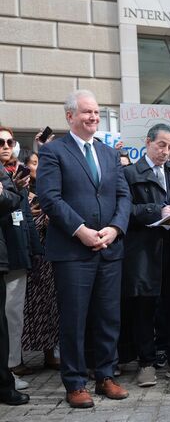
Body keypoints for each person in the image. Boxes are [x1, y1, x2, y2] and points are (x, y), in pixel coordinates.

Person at [37, 89, 131, 408]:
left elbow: (123, 196)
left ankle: (105, 375)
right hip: (73, 251)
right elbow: (50, 198)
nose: (93, 117)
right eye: (87, 112)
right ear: (70, 116)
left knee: (108, 316)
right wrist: (81, 231)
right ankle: (75, 382)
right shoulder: (54, 152)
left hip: (108, 248)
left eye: (96, 112)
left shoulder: (107, 152)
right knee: (74, 319)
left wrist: (115, 228)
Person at [122, 123, 170, 386]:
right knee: (144, 306)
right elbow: (126, 212)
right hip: (144, 250)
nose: (166, 151)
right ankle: (145, 362)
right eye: (161, 145)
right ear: (148, 142)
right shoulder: (130, 174)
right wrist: (158, 212)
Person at [0, 128, 42, 387]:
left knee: (13, 312)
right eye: (0, 142)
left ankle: (11, 365)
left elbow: (24, 215)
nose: (5, 146)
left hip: (17, 250)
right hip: (5, 250)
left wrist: (33, 249)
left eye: (9, 141)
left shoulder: (14, 174)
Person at [18, 148, 60, 371]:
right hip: (26, 255)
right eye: (33, 162)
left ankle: (49, 353)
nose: (38, 166)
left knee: (49, 305)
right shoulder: (20, 190)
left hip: (47, 256)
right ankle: (17, 358)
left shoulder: (47, 189)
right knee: (23, 308)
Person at [0, 167, 29, 406]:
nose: (5, 148)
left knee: (6, 320)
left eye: (9, 143)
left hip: (9, 255)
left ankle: (6, 377)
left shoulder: (5, 173)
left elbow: (12, 199)